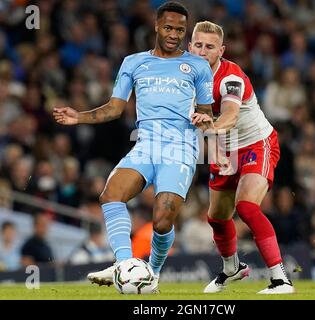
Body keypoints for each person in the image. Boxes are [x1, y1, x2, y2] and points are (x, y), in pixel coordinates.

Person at [53, 1, 214, 292]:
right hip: (146, 145)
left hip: (179, 149)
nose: (174, 34)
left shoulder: (199, 67)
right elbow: (115, 109)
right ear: (156, 25)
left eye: (180, 29)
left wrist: (204, 119)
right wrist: (79, 117)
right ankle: (126, 265)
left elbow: (206, 112)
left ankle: (151, 271)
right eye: (168, 27)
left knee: (162, 221)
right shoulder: (133, 62)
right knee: (110, 194)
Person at [189, 21, 294, 294]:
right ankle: (232, 268)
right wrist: (215, 151)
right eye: (198, 45)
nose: (202, 51)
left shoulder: (230, 77)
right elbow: (202, 121)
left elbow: (230, 115)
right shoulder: (185, 79)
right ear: (189, 47)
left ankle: (281, 279)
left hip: (256, 144)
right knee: (217, 217)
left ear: (221, 51)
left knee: (246, 208)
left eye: (209, 47)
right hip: (224, 146)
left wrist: (212, 130)